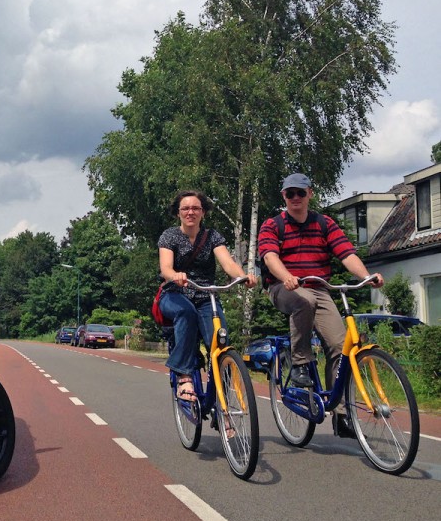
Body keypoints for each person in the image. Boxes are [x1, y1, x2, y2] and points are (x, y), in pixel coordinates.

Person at [258, 173, 384, 438]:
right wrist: (286, 277)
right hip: (284, 287)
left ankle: (340, 414)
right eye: (290, 193)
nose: (295, 198)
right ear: (284, 196)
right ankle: (301, 363)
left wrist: (366, 276)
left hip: (320, 288)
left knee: (341, 347)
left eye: (300, 193)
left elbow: (346, 253)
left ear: (309, 194)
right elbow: (270, 257)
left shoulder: (324, 223)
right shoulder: (273, 225)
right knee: (303, 301)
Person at [158, 190, 257, 403]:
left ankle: (221, 398)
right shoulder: (170, 236)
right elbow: (165, 267)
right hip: (175, 293)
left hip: (206, 295)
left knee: (219, 338)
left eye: (195, 208)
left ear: (203, 212)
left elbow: (228, 263)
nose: (190, 212)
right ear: (178, 213)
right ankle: (185, 377)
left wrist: (243, 277)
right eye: (185, 208)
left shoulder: (212, 236)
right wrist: (175, 275)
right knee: (186, 313)